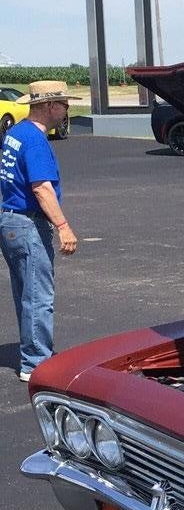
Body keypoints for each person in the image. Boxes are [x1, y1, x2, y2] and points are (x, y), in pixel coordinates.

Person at [1, 80, 78, 380]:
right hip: (28, 223)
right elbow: (42, 188)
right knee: (38, 296)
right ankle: (35, 363)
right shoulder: (34, 141)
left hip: (9, 220)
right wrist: (63, 226)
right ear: (49, 106)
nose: (66, 110)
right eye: (64, 104)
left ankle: (32, 352)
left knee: (25, 292)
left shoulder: (15, 133)